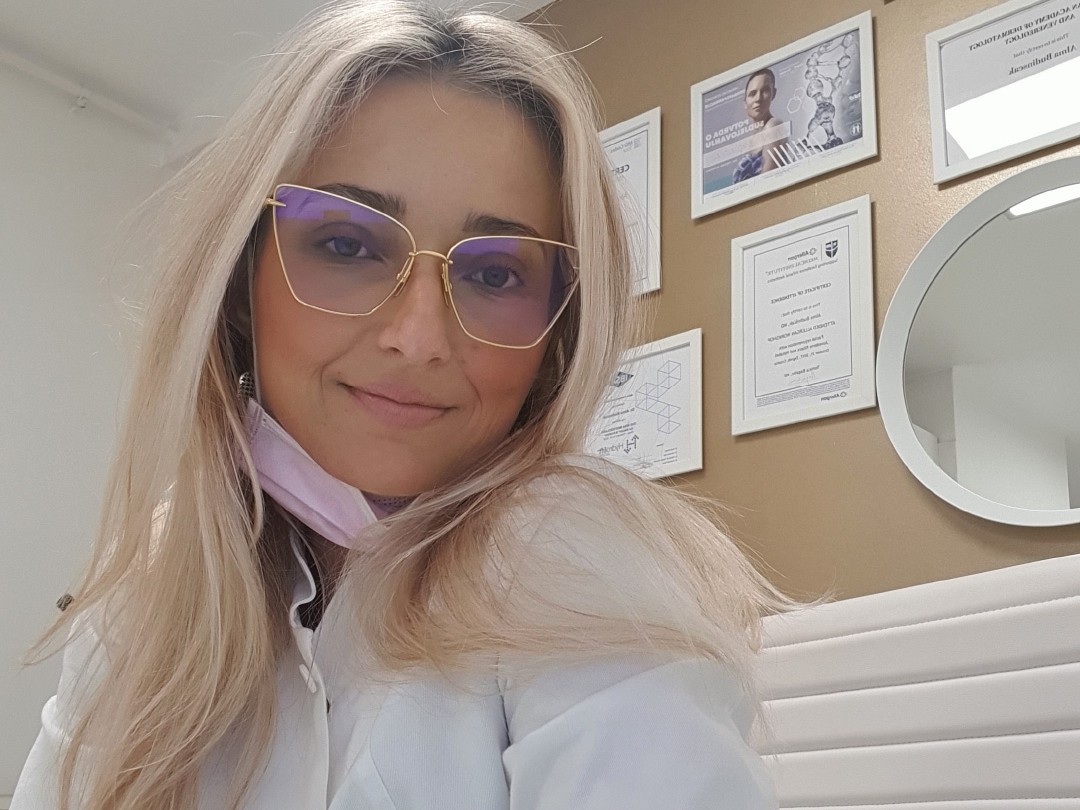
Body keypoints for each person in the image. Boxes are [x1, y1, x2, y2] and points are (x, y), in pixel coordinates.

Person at [12, 2, 795, 808]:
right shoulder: (150, 591)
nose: (419, 338)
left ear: (556, 333)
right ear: (240, 282)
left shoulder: (565, 547)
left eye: (494, 274)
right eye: (347, 245)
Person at [732, 68, 788, 183]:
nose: (758, 99)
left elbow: (766, 179)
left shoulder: (773, 125)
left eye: (765, 90)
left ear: (773, 93)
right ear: (745, 103)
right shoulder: (750, 141)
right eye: (752, 94)